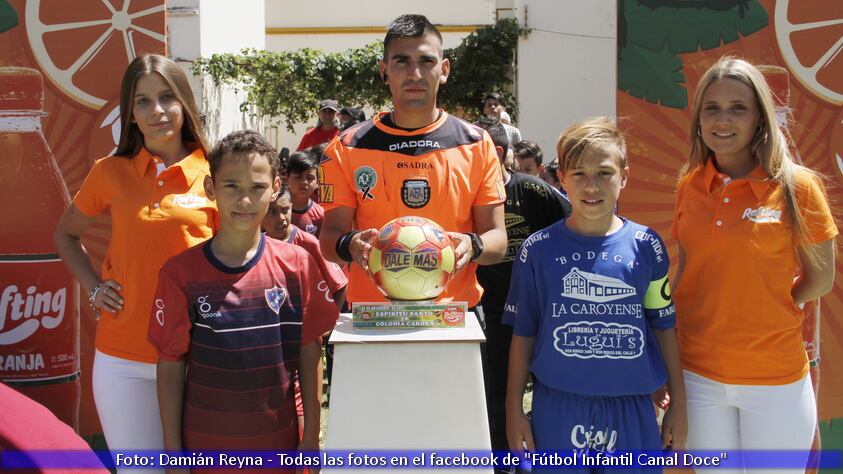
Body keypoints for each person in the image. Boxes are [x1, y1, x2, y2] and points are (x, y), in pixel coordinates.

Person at [671, 57, 836, 472]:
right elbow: (688, 272)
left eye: (738, 108)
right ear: (698, 119)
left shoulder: (799, 187)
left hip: (775, 379)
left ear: (761, 117)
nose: (722, 120)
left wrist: (772, 305)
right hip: (699, 376)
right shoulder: (689, 186)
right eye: (712, 108)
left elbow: (821, 279)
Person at [53, 54, 214, 463]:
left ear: (184, 103)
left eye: (166, 97)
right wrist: (94, 287)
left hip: (201, 354)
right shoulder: (109, 172)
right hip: (122, 361)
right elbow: (67, 236)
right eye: (143, 101)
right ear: (130, 113)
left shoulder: (216, 170)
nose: (157, 111)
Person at [504, 117, 686, 473]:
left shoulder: (646, 245)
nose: (591, 186)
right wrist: (513, 409)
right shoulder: (537, 250)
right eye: (578, 174)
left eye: (604, 173)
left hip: (631, 409)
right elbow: (523, 335)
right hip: (559, 407)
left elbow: (664, 327)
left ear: (625, 176)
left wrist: (679, 403)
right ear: (560, 179)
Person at [148, 130, 337, 466]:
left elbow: (310, 350)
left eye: (257, 187)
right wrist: (173, 451)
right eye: (232, 186)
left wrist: (310, 437)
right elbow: (171, 364)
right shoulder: (180, 273)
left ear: (276, 187)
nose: (245, 200)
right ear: (211, 188)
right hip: (205, 447)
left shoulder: (297, 265)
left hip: (279, 445)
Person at [319, 14, 507, 311]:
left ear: (444, 70)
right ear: (384, 71)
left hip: (453, 314)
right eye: (402, 61)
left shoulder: (475, 143)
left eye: (427, 61)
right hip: (374, 316)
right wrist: (349, 244)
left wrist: (474, 246)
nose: (415, 73)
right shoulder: (347, 147)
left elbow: (497, 238)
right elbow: (329, 237)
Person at [476, 122, 571, 462]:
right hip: (491, 314)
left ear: (497, 154)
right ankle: (503, 462)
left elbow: (574, 227)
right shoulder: (468, 197)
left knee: (550, 391)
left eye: (474, 150)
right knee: (497, 393)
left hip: (541, 314)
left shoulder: (535, 191)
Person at [263, 185, 347, 308]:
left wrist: (330, 322)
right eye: (271, 212)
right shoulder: (256, 247)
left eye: (285, 210)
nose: (281, 218)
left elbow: (340, 286)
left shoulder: (309, 243)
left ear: (291, 207)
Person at [286, 150, 325, 237]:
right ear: (287, 178)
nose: (304, 182)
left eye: (310, 177)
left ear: (317, 183)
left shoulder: (321, 215)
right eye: (298, 177)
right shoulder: (275, 210)